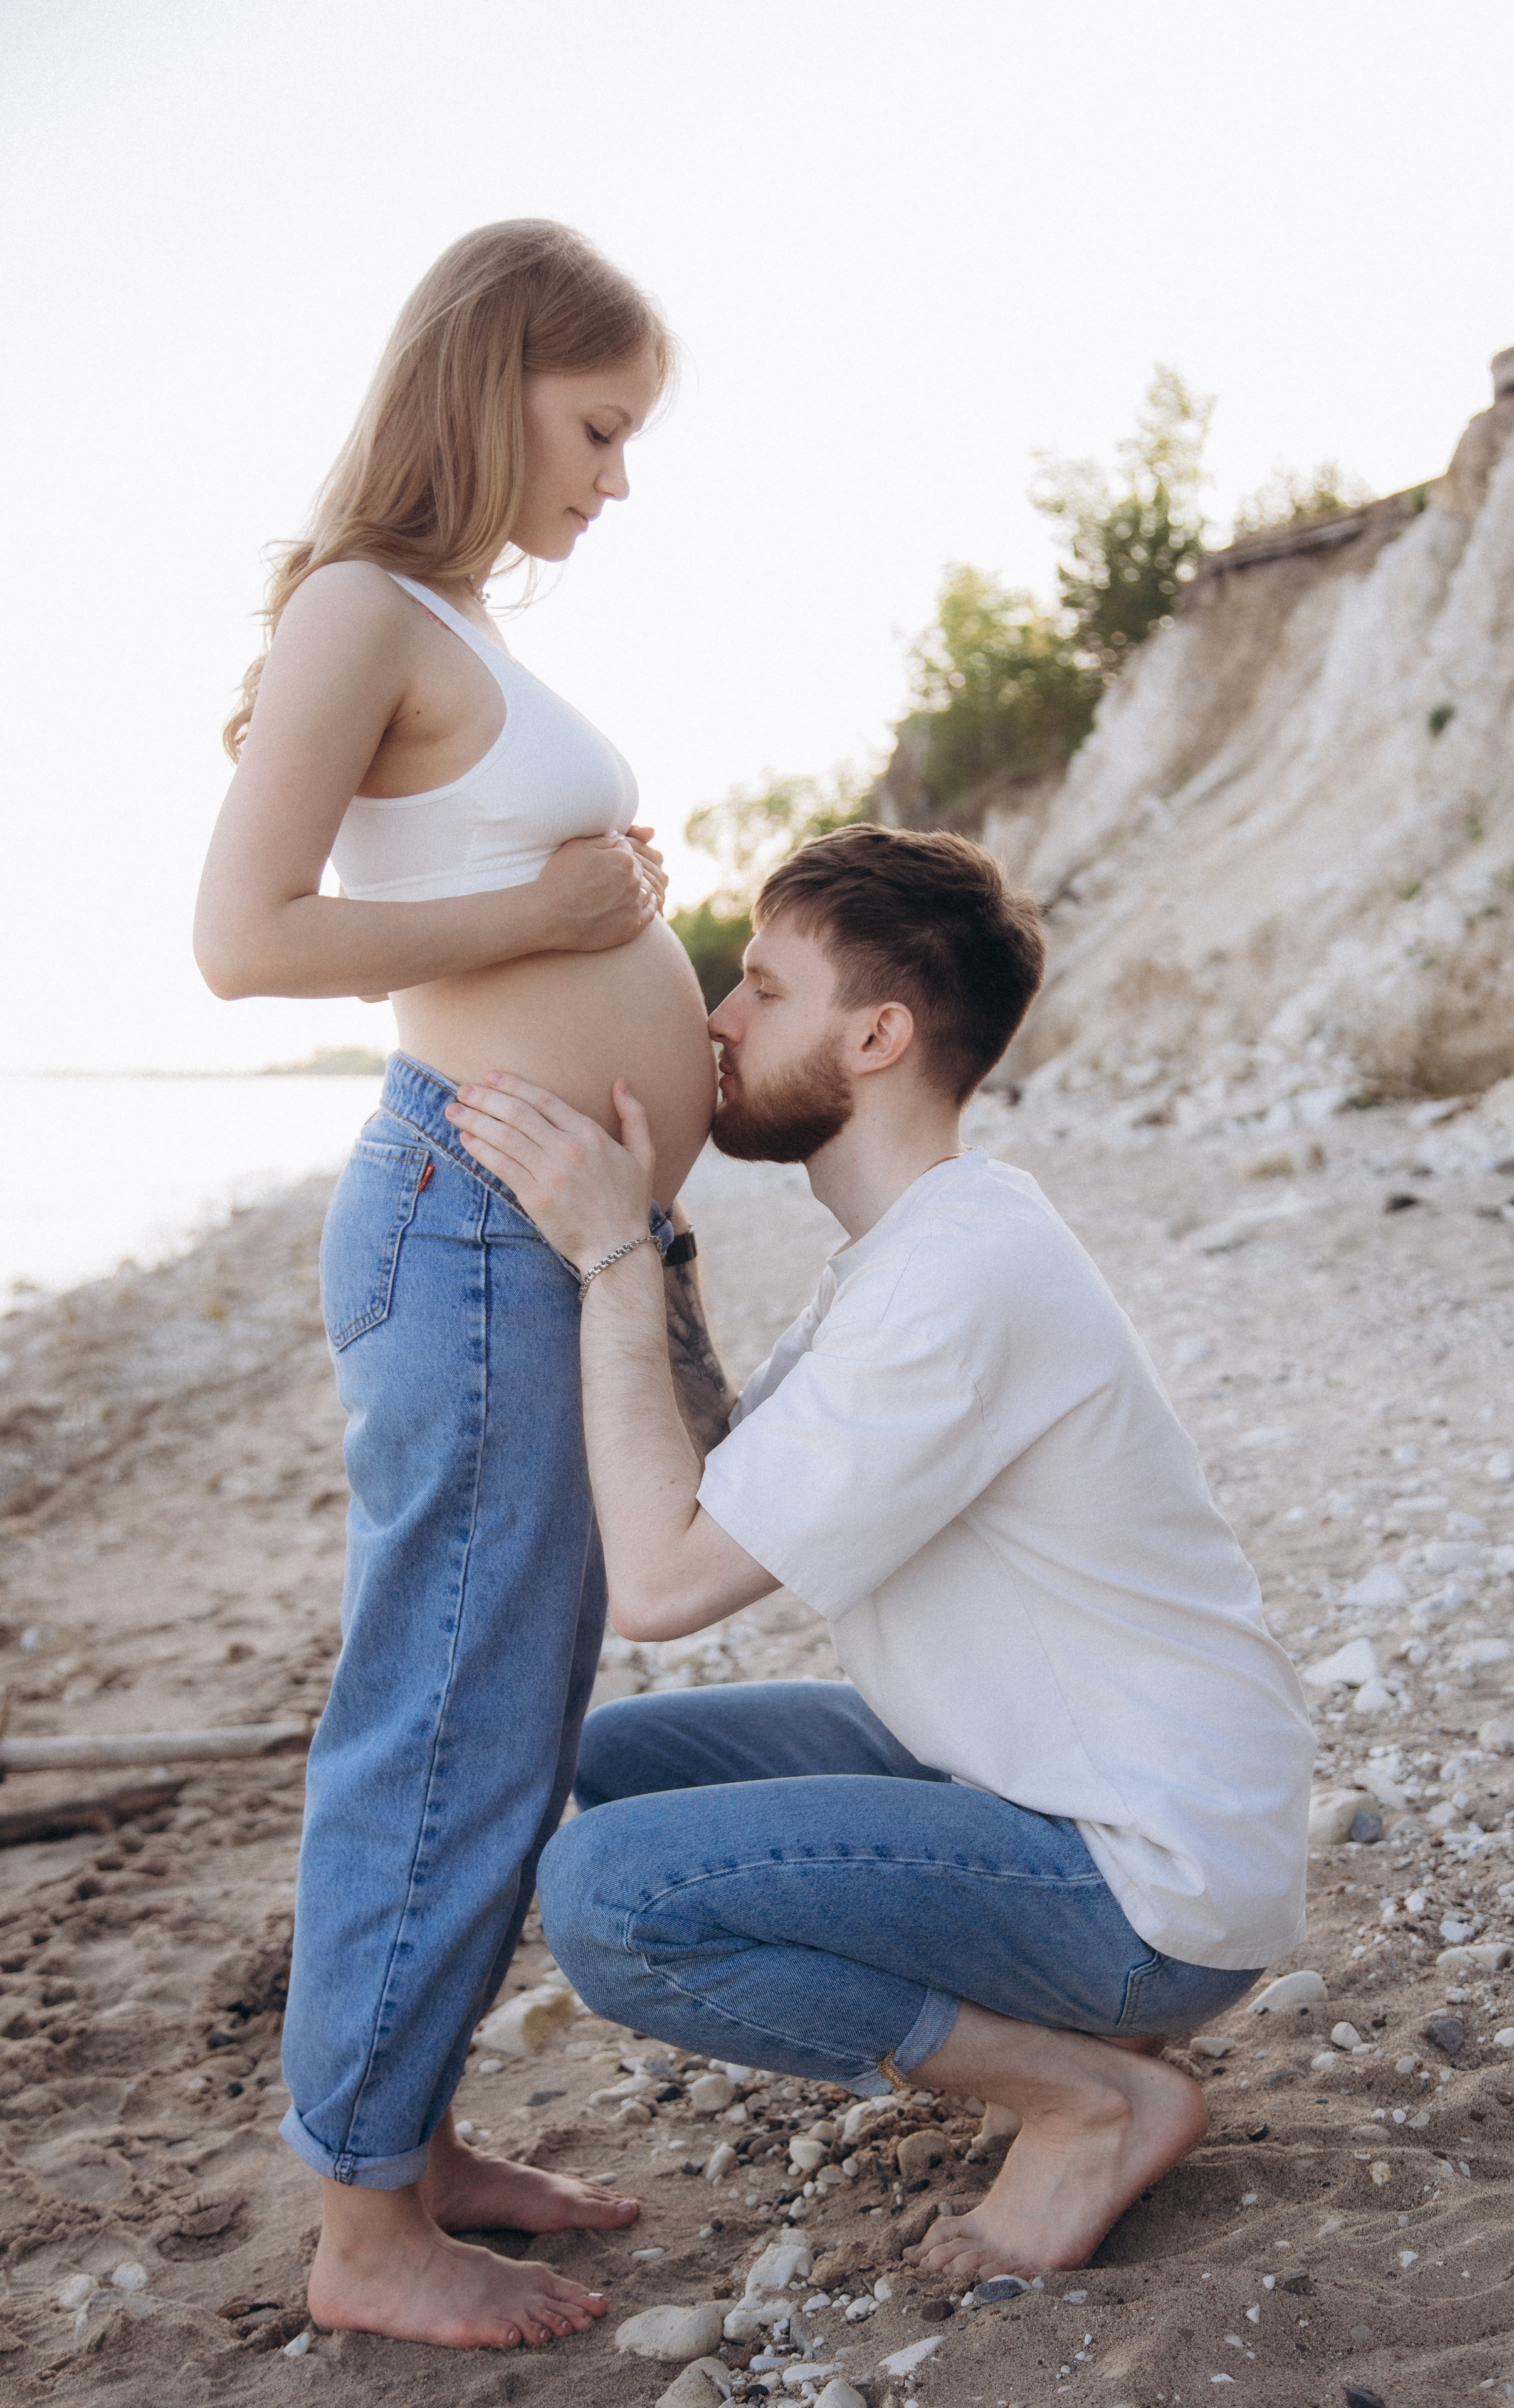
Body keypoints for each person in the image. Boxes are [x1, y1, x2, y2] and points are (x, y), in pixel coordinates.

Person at [447, 822, 1315, 2280]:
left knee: (612, 1900)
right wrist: (650, 1241)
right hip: (1031, 1773)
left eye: (761, 991)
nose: (716, 1022)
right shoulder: (920, 1248)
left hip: (1143, 1879)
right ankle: (1078, 2037)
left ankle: (1087, 2090)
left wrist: (598, 1256)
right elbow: (727, 1471)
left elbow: (665, 1582)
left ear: (877, 1035)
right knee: (613, 1762)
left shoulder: (955, 1279)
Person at [193, 221, 732, 2350]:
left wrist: (589, 912)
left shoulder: (446, 623)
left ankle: (404, 2145)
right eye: (599, 426)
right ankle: (362, 2229)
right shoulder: (356, 607)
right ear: (493, 375)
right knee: (444, 1708)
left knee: (498, 1700)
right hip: (470, 1222)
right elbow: (243, 942)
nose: (617, 475)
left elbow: (484, 897)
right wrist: (543, 908)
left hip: (534, 1229)